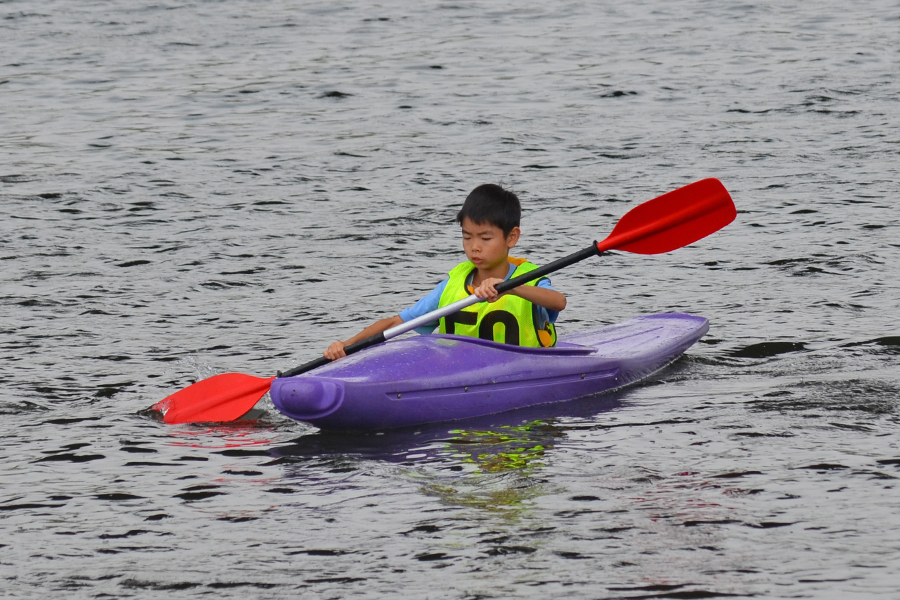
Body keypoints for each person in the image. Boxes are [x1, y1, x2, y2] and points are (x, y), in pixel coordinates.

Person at [323, 184, 566, 359]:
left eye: (485, 238)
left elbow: (559, 302)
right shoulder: (453, 285)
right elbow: (397, 322)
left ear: (511, 237)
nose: (475, 247)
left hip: (525, 372)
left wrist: (511, 287)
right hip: (459, 378)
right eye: (467, 237)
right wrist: (347, 345)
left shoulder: (528, 278)